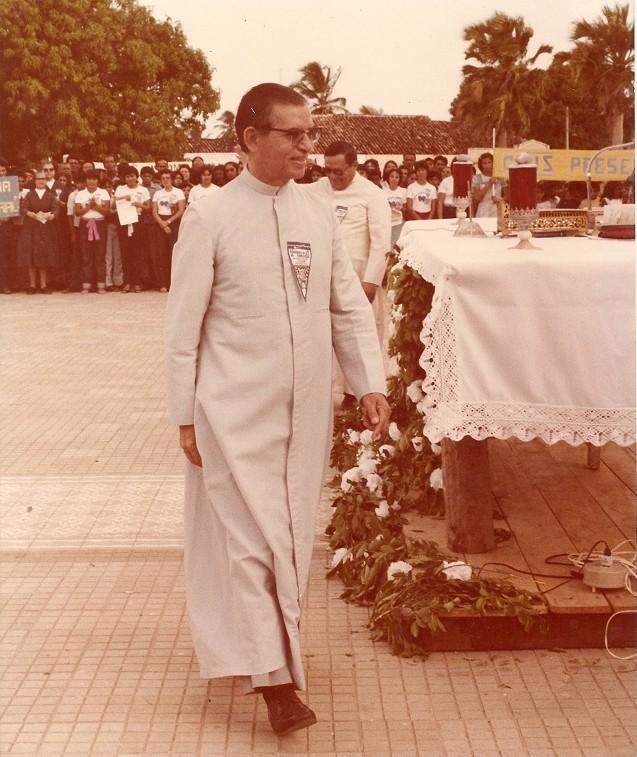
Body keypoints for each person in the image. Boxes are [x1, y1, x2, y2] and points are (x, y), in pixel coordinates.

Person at [165, 82, 389, 737]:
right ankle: (276, 683)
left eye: (309, 132)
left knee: (289, 535)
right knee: (253, 541)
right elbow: (182, 326)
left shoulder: (319, 210)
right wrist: (184, 413)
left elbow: (345, 303)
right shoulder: (209, 214)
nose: (305, 144)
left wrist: (366, 379)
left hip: (306, 410)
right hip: (231, 409)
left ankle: (269, 655)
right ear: (248, 139)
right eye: (291, 133)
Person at [310, 140, 391, 407]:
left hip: (360, 278)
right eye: (328, 171)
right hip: (326, 277)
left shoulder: (372, 194)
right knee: (328, 334)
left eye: (339, 171)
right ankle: (337, 393)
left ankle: (363, 393)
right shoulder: (318, 189)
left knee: (363, 335)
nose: (333, 177)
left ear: (355, 166)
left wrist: (370, 282)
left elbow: (381, 242)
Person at [15, 170, 59, 293]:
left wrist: (53, 216)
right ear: (34, 181)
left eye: (43, 179)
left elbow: (56, 209)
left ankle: (44, 285)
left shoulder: (50, 195)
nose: (41, 181)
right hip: (31, 228)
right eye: (38, 179)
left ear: (46, 180)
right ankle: (33, 285)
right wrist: (30, 214)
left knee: (43, 256)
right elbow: (23, 207)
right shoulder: (30, 194)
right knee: (31, 256)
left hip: (45, 229)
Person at [113, 165, 151, 292]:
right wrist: (125, 198)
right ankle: (127, 282)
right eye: (127, 176)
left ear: (136, 177)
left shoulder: (143, 190)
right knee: (125, 252)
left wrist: (137, 203)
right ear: (124, 178)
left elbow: (148, 208)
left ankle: (137, 282)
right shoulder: (120, 189)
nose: (130, 178)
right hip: (124, 221)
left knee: (138, 253)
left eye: (132, 176)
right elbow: (114, 203)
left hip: (138, 221)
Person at [74, 169, 110, 293]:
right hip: (85, 224)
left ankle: (101, 284)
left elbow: (106, 211)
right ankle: (86, 284)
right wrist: (89, 206)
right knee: (86, 256)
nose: (91, 181)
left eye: (94, 179)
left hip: (99, 223)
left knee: (100, 255)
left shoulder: (103, 193)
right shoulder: (81, 194)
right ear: (86, 181)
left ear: (97, 180)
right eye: (89, 179)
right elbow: (77, 212)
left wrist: (96, 206)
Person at [152, 169, 185, 291]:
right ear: (161, 181)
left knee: (174, 252)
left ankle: (174, 283)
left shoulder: (179, 192)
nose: (166, 180)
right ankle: (163, 283)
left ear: (172, 179)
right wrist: (163, 224)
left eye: (168, 178)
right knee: (162, 253)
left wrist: (169, 222)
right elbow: (154, 211)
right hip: (161, 223)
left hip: (174, 222)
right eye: (163, 178)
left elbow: (181, 211)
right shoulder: (158, 194)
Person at [472, 152, 503, 217]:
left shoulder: (500, 177)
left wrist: (500, 199)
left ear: (493, 163)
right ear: (481, 165)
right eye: (484, 163)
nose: (487, 165)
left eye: (489, 162)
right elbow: (476, 198)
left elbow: (508, 195)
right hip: (483, 211)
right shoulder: (476, 178)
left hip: (497, 210)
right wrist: (489, 183)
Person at [383, 167, 406, 245]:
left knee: (397, 245)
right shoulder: (382, 191)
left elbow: (406, 209)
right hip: (386, 223)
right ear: (388, 178)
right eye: (391, 176)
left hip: (399, 223)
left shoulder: (403, 191)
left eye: (397, 177)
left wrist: (400, 207)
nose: (394, 179)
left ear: (400, 179)